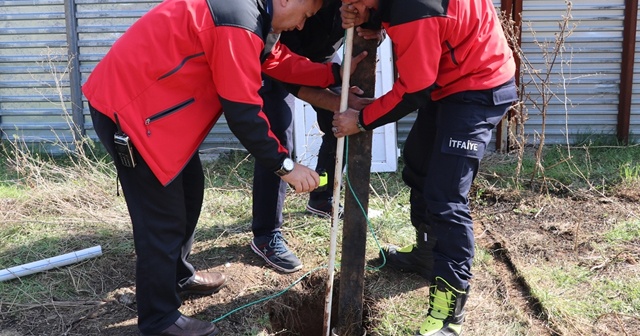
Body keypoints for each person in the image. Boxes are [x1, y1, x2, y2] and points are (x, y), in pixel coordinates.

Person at [81, 0, 363, 335]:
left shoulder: (253, 17)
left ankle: (178, 276)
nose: (302, 26)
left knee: (189, 195)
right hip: (130, 114)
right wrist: (285, 166)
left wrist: (332, 74)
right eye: (304, 16)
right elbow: (243, 113)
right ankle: (159, 320)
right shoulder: (238, 22)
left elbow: (275, 61)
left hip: (159, 116)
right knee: (161, 220)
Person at [334, 0, 518, 335]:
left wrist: (361, 120)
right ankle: (426, 255)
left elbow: (415, 88)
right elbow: (431, 32)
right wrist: (376, 18)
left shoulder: (414, 10)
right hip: (448, 81)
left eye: (353, 2)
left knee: (446, 198)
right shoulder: (402, 10)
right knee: (418, 166)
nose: (348, 7)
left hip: (479, 87)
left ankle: (449, 312)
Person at [251, 0, 380, 273]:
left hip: (320, 61)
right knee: (278, 141)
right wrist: (331, 100)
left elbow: (381, 18)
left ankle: (322, 198)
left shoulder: (357, 5)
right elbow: (288, 75)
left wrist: (374, 26)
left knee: (345, 122)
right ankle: (266, 235)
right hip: (276, 60)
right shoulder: (294, 8)